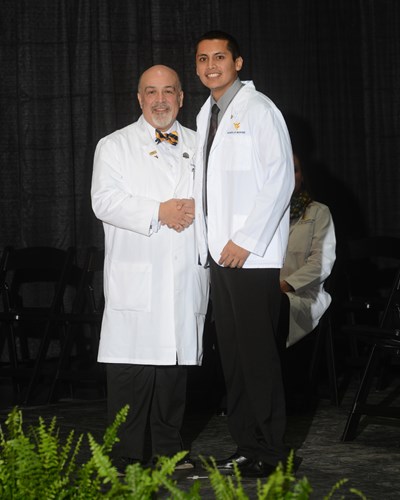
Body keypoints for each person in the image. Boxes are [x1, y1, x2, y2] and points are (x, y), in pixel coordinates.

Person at [91, 65, 209, 473]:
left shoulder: (202, 143)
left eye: (169, 91)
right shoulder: (115, 145)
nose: (160, 99)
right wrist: (160, 211)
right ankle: (124, 455)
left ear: (181, 97)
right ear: (139, 99)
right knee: (132, 370)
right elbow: (103, 201)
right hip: (139, 268)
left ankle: (169, 451)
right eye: (151, 92)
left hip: (183, 273)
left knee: (174, 372)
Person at [193, 31, 295, 477]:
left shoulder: (259, 109)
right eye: (202, 59)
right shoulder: (208, 113)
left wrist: (247, 239)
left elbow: (280, 180)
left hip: (251, 256)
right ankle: (246, 446)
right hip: (221, 255)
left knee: (257, 359)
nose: (210, 65)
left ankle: (271, 453)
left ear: (238, 62)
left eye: (219, 57)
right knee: (233, 357)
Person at [278, 153, 336, 409]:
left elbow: (321, 261)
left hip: (301, 293)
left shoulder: (318, 212)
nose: (291, 176)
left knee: (278, 309)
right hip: (263, 292)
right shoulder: (263, 213)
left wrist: (287, 285)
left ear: (303, 176)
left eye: (296, 170)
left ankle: (286, 393)